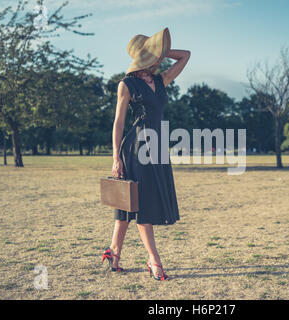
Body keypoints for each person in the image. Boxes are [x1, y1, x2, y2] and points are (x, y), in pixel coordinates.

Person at [102, 27, 191, 280]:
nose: (156, 59)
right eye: (152, 54)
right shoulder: (126, 84)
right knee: (143, 206)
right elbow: (118, 123)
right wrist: (115, 157)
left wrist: (162, 53)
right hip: (136, 148)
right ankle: (154, 261)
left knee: (130, 204)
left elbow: (185, 55)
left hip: (158, 147)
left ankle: (113, 252)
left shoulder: (162, 80)